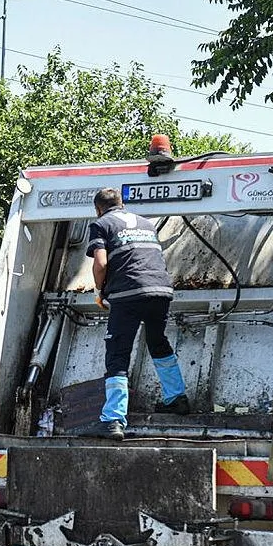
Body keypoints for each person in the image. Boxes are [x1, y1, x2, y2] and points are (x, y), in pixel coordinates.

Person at [81, 185, 188, 441]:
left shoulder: (101, 224)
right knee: (158, 341)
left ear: (98, 209)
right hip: (160, 290)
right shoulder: (147, 224)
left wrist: (100, 290)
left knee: (118, 352)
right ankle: (177, 398)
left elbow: (101, 263)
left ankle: (113, 419)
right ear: (122, 204)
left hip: (128, 292)